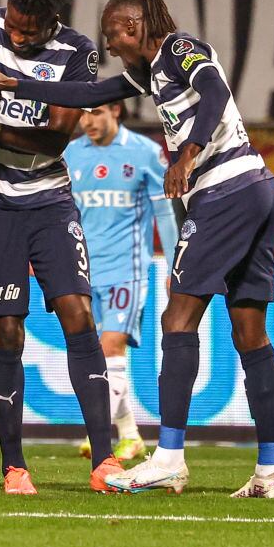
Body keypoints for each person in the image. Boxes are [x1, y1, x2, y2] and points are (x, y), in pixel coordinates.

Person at [0, 0, 274, 498]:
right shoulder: (150, 70)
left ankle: (168, 457)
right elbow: (87, 94)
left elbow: (213, 94)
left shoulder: (180, 48)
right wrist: (11, 82)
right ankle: (269, 471)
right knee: (249, 332)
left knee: (177, 319)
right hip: (257, 186)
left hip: (225, 188)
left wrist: (186, 153)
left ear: (132, 26)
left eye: (112, 37)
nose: (109, 48)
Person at [0, 0, 123, 495]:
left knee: (78, 313)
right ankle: (14, 465)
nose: (19, 37)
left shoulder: (76, 52)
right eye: (14, 27)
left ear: (53, 21)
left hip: (49, 200)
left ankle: (105, 459)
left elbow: (53, 140)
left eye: (30, 31)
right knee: (6, 330)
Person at [65, 101, 178, 461]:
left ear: (115, 110)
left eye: (95, 112)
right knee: (98, 352)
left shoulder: (145, 153)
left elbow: (165, 213)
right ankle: (130, 435)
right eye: (82, 113)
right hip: (82, 270)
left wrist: (177, 265)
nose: (87, 120)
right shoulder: (69, 153)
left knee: (111, 346)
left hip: (125, 269)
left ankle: (95, 433)